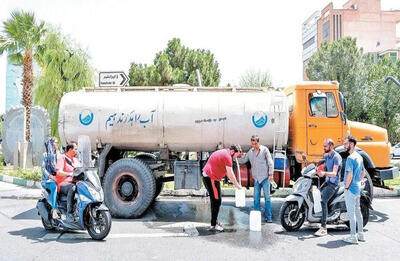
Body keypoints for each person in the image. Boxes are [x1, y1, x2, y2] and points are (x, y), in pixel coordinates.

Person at [202, 144, 243, 232]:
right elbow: (230, 174)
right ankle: (213, 225)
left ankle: (214, 222)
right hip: (211, 178)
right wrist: (238, 186)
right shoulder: (227, 156)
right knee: (217, 201)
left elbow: (228, 173)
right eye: (236, 155)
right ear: (233, 152)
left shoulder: (226, 153)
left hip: (210, 177)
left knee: (215, 200)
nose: (236, 158)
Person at [238, 135, 274, 223]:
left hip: (265, 178)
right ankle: (257, 217)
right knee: (256, 199)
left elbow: (270, 162)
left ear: (258, 142)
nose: (254, 146)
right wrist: (234, 158)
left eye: (255, 144)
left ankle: (268, 217)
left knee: (267, 198)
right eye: (252, 144)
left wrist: (270, 174)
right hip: (257, 179)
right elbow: (243, 160)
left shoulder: (265, 150)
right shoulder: (250, 152)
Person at [314, 138, 342, 236]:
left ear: (331, 146)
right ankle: (315, 219)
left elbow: (334, 173)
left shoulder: (336, 157)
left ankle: (323, 228)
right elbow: (324, 166)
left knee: (323, 200)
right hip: (327, 182)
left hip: (334, 184)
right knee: (316, 195)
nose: (323, 148)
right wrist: (317, 169)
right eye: (323, 146)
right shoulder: (326, 156)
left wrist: (324, 173)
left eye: (325, 146)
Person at [343, 135, 366, 244]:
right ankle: (361, 234)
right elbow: (363, 172)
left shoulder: (350, 158)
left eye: (346, 144)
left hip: (351, 189)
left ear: (351, 144)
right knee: (358, 211)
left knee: (351, 214)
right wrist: (358, 181)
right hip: (357, 188)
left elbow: (350, 175)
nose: (344, 145)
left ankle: (353, 236)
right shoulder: (359, 157)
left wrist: (346, 187)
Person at [55, 141, 81, 221]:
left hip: (75, 182)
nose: (77, 151)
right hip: (64, 183)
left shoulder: (76, 160)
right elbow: (58, 172)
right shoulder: (62, 158)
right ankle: (69, 213)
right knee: (72, 188)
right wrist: (69, 174)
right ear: (70, 150)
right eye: (75, 149)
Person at [41, 137, 59, 219]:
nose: (57, 144)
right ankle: (54, 210)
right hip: (47, 180)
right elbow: (43, 169)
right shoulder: (45, 155)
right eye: (56, 142)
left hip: (57, 178)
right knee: (54, 186)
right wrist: (52, 177)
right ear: (51, 144)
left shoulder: (58, 154)